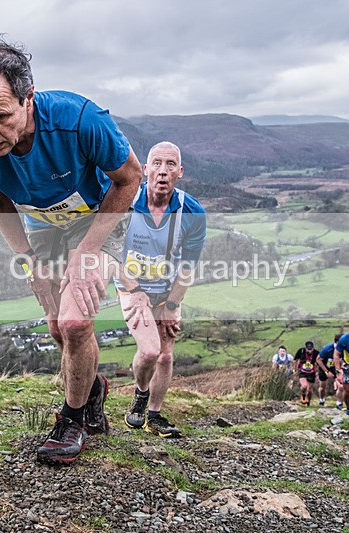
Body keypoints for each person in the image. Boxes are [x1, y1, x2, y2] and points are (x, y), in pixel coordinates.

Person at [0, 36, 142, 463]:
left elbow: (130, 178)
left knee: (75, 323)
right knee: (57, 326)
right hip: (43, 223)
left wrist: (89, 252)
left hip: (100, 213)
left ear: (28, 100)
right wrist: (30, 262)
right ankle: (92, 388)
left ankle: (73, 420)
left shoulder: (79, 120)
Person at [116, 142, 206, 438]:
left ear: (180, 172)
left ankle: (153, 415)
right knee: (150, 350)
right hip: (131, 287)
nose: (163, 171)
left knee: (166, 356)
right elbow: (109, 252)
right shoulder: (125, 200)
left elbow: (188, 266)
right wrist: (135, 289)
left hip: (168, 291)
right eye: (156, 163)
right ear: (145, 169)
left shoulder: (192, 212)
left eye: (170, 165)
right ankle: (141, 395)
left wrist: (172, 305)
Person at [316, 334, 342, 407]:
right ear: (336, 342)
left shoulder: (343, 350)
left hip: (335, 368)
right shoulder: (327, 348)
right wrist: (326, 371)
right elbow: (318, 360)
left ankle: (339, 403)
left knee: (341, 386)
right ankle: (322, 399)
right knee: (323, 387)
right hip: (324, 367)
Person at [294, 341, 319, 407]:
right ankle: (303, 395)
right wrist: (295, 370)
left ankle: (308, 402)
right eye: (308, 349)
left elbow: (319, 362)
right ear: (305, 348)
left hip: (311, 372)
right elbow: (295, 360)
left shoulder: (316, 353)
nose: (310, 351)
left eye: (311, 349)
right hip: (302, 371)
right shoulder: (301, 351)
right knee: (304, 386)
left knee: (309, 390)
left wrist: (318, 372)